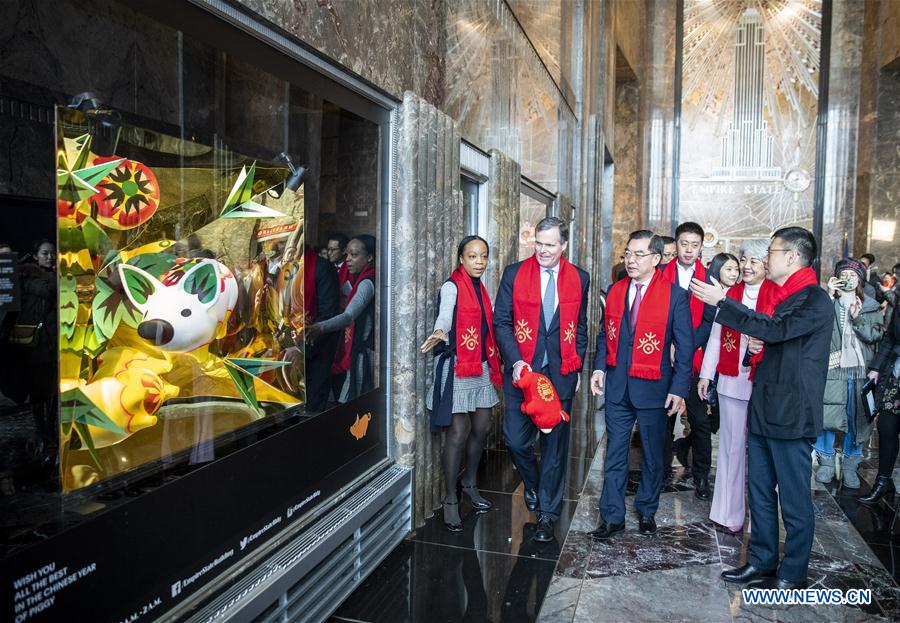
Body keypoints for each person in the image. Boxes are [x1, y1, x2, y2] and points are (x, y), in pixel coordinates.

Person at [691, 226, 832, 591]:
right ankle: (762, 560)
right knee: (760, 492)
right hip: (765, 405)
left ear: (792, 257)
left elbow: (776, 328)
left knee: (794, 499)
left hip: (792, 411)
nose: (766, 258)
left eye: (771, 251)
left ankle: (794, 572)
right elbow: (773, 336)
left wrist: (724, 301)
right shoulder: (787, 296)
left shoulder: (814, 299)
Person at [589, 230, 693, 538]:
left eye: (639, 255)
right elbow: (604, 334)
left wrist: (678, 388)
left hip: (654, 388)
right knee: (615, 452)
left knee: (651, 454)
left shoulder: (676, 296)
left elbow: (685, 348)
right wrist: (598, 368)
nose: (631, 260)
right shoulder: (617, 289)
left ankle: (647, 510)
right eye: (628, 254)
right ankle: (612, 516)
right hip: (619, 385)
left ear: (657, 259)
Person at [493, 217, 589, 543]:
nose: (543, 250)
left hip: (559, 374)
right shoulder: (514, 273)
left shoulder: (580, 278)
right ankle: (532, 484)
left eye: (550, 245)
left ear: (563, 245)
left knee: (555, 449)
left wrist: (576, 367)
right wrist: (516, 360)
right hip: (524, 373)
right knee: (516, 441)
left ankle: (548, 514)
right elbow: (501, 322)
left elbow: (581, 327)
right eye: (538, 243)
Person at [422, 236, 502, 531]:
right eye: (472, 256)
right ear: (461, 259)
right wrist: (440, 331)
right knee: (458, 432)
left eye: (483, 256)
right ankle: (451, 497)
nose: (479, 262)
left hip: (479, 366)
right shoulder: (452, 286)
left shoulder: (481, 289)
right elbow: (446, 313)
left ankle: (469, 483)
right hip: (457, 367)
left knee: (481, 427)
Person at [698, 239, 771, 534]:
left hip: (765, 384)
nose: (747, 265)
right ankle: (727, 514)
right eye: (744, 259)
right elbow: (716, 337)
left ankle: (764, 522)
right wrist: (706, 375)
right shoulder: (730, 295)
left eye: (754, 260)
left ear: (768, 263)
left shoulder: (775, 296)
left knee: (764, 453)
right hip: (731, 380)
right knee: (730, 448)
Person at [813, 258, 883, 488]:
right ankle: (825, 462)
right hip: (832, 367)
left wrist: (857, 318)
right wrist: (827, 295)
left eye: (853, 276)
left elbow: (874, 336)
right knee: (827, 413)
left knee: (857, 417)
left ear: (860, 280)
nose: (849, 279)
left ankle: (851, 465)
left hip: (859, 370)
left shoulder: (871, 305)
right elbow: (815, 328)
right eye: (844, 274)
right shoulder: (827, 302)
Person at [662, 222, 715, 500]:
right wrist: (669, 344)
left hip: (694, 358)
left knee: (699, 421)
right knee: (663, 418)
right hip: (663, 356)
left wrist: (682, 347)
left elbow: (709, 322)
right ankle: (659, 471)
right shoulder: (662, 274)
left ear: (701, 248)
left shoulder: (709, 279)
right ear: (677, 244)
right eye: (684, 244)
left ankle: (701, 474)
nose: (689, 250)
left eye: (695, 245)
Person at [306, 235, 376, 403]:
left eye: (354, 255)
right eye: (347, 255)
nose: (348, 260)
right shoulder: (359, 278)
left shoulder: (367, 283)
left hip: (364, 353)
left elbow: (349, 316)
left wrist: (319, 327)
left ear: (370, 257)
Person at [859, 291, 900, 505]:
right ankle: (883, 482)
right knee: (886, 428)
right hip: (895, 377)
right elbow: (890, 337)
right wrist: (875, 368)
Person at [300, 247, 341, 413]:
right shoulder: (282, 267)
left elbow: (329, 311)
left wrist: (304, 339)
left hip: (316, 347)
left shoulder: (321, 267)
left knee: (313, 402)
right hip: (289, 349)